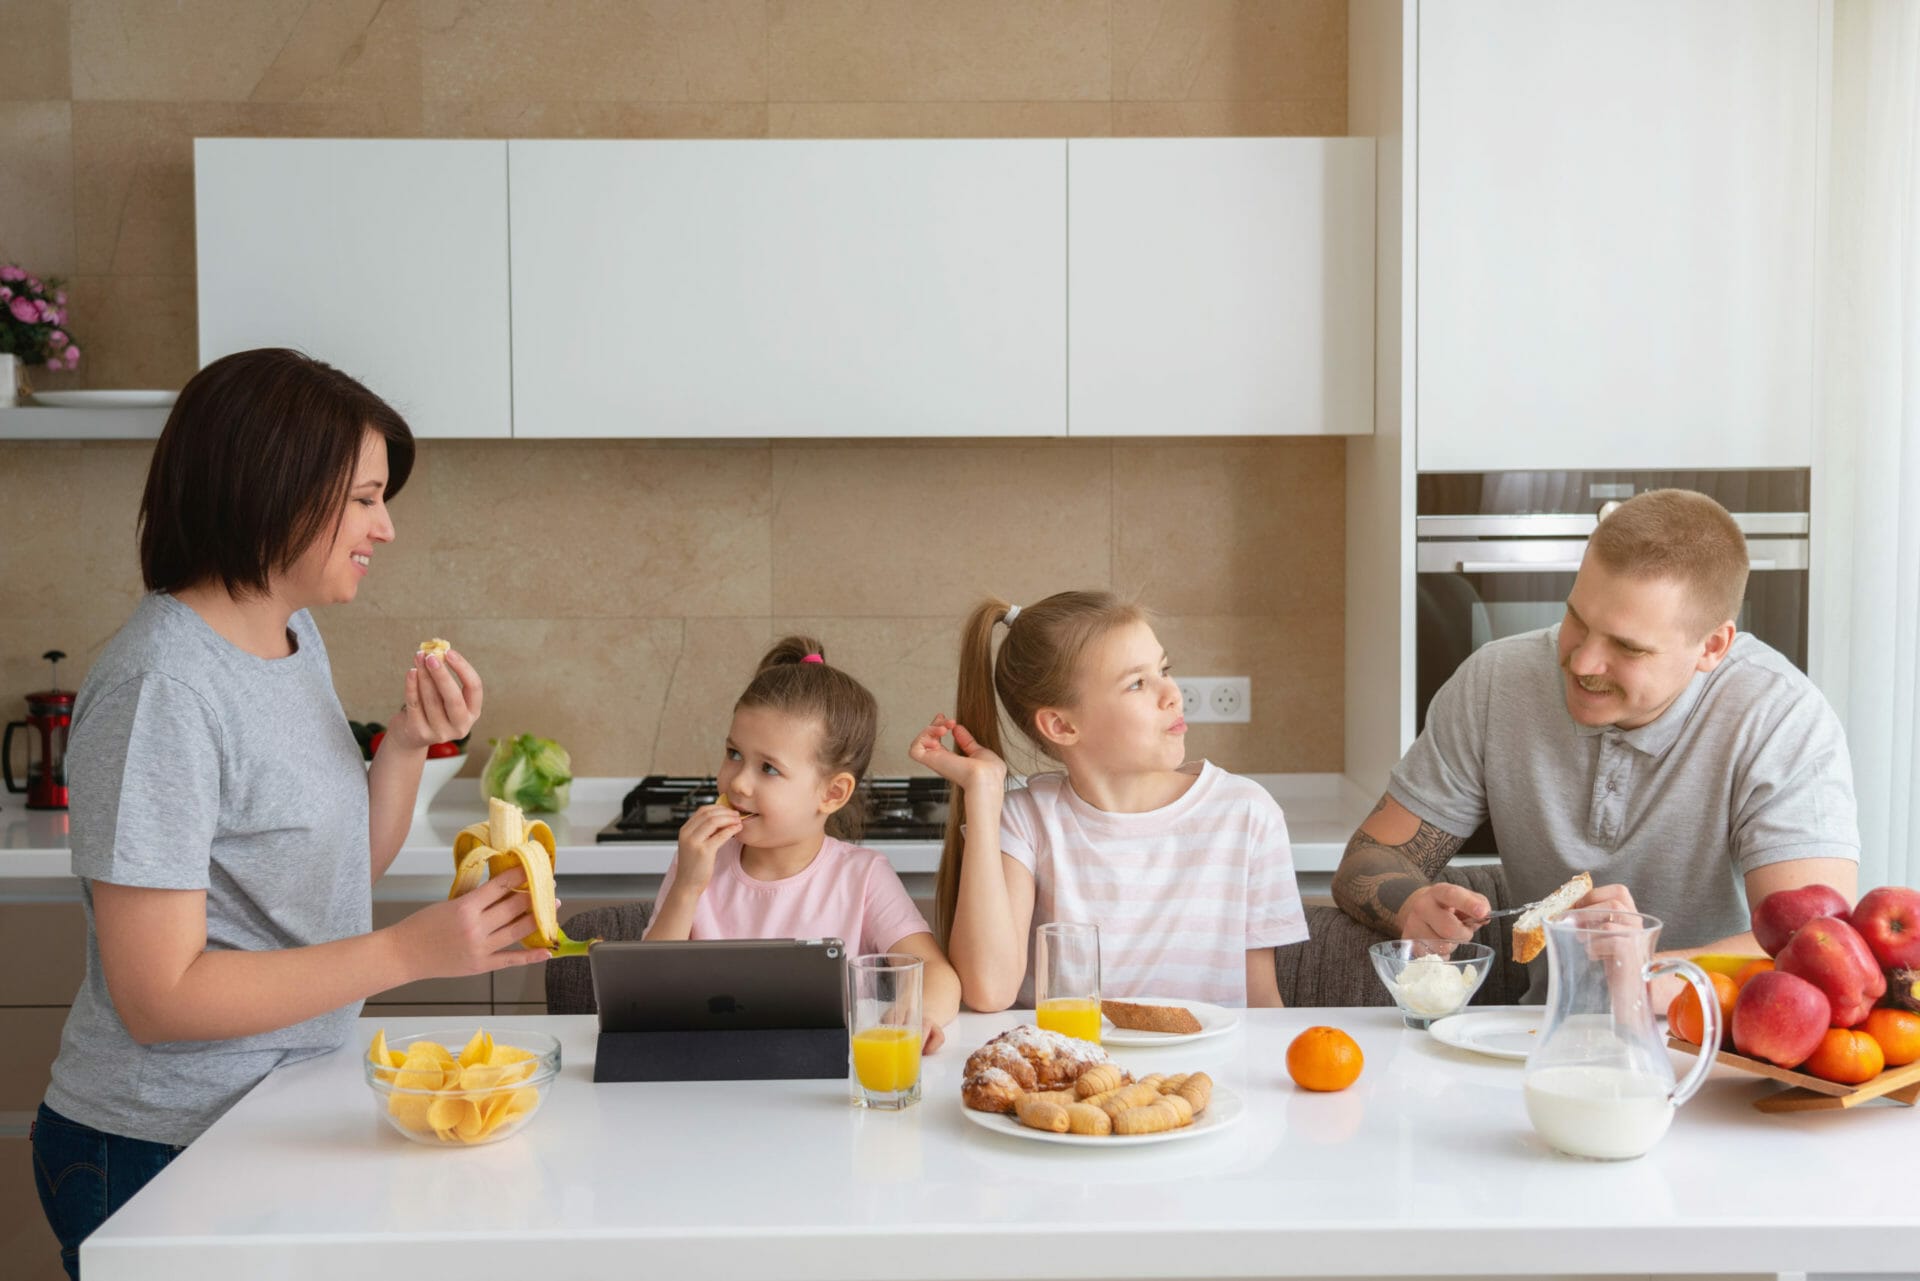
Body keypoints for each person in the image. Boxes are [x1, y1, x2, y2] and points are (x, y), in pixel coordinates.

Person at [32, 349, 547, 1280]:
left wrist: (404, 746)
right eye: (363, 498)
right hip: (160, 1149)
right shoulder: (164, 687)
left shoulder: (288, 635)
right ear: (273, 488)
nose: (384, 528)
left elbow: (338, 871)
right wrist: (409, 954)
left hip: (275, 1117)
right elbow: (159, 996)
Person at [1332, 489, 1860, 999]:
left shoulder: (1781, 719)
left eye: (1627, 647)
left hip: (1712, 1048)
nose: (1582, 663)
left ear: (1712, 646)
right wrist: (1411, 905)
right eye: (1577, 620)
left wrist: (1642, 973)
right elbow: (1369, 857)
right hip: (1541, 1039)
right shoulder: (1495, 682)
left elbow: (1816, 948)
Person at [914, 591, 1308, 1012]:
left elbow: (1262, 1002)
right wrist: (985, 794)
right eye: (1137, 683)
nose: (1173, 693)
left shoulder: (1246, 814)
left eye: (1164, 669)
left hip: (1205, 1074)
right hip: (1062, 1074)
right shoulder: (1027, 820)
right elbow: (988, 992)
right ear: (1062, 725)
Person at [644, 637, 961, 1051]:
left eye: (769, 769)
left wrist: (918, 1013)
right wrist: (687, 885)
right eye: (733, 753)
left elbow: (938, 974)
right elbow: (645, 990)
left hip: (823, 1088)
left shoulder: (861, 876)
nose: (737, 782)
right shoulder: (699, 863)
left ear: (832, 793)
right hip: (711, 1081)